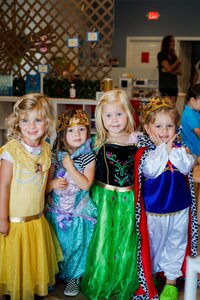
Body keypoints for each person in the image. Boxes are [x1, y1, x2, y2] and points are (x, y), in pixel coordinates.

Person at [81, 89, 158, 300]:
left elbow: (160, 155)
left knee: (127, 239)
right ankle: (102, 278)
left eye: (119, 114)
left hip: (129, 198)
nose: (114, 120)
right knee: (104, 239)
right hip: (104, 199)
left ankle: (124, 278)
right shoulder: (95, 143)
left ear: (129, 114)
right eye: (108, 115)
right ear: (101, 118)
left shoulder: (139, 140)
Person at [135, 96, 198, 300]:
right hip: (155, 210)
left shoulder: (180, 150)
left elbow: (186, 165)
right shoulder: (145, 153)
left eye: (169, 126)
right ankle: (151, 277)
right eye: (158, 126)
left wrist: (173, 149)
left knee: (176, 243)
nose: (164, 131)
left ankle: (171, 282)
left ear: (176, 127)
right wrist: (164, 149)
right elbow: (151, 171)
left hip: (180, 208)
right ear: (147, 128)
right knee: (153, 244)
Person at [0, 93, 60, 300]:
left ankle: (31, 291)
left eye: (38, 119)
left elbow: (43, 183)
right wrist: (2, 219)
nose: (31, 126)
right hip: (15, 222)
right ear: (18, 123)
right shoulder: (11, 151)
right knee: (14, 264)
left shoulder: (45, 149)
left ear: (47, 122)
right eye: (25, 120)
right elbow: (4, 185)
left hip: (36, 219)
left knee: (33, 262)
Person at [45, 108, 97, 297]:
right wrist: (52, 183)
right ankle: (55, 274)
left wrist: (70, 166)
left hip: (78, 212)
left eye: (81, 129)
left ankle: (74, 277)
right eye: (71, 130)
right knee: (57, 243)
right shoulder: (54, 155)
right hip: (56, 211)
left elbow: (85, 185)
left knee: (76, 245)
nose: (77, 134)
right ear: (62, 134)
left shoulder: (88, 157)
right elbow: (45, 186)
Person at [157, 35, 182, 103]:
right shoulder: (161, 55)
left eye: (174, 41)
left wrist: (169, 71)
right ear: (166, 42)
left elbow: (180, 72)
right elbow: (169, 69)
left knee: (172, 105)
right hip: (164, 85)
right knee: (165, 105)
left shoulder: (174, 56)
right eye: (171, 41)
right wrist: (177, 62)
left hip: (174, 85)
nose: (173, 43)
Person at [181, 84, 200, 163]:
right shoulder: (190, 115)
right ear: (192, 100)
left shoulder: (193, 112)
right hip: (193, 153)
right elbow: (198, 132)